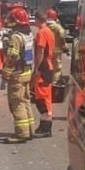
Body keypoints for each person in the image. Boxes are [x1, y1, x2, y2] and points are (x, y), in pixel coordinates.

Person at [2, 7, 34, 143]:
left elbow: (12, 57)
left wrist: (5, 75)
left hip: (17, 75)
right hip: (27, 72)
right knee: (25, 101)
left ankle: (21, 134)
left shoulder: (15, 37)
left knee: (17, 103)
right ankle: (30, 129)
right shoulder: (27, 34)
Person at [32, 9, 55, 137]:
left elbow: (40, 52)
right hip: (48, 66)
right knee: (46, 97)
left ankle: (46, 127)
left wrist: (36, 68)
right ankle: (45, 125)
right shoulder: (49, 31)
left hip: (43, 67)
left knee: (42, 98)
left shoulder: (41, 33)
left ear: (37, 19)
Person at [45, 7, 69, 85]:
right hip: (56, 51)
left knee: (49, 68)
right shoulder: (57, 26)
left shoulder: (45, 26)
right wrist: (65, 46)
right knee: (57, 69)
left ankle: (49, 82)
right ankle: (54, 84)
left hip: (47, 51)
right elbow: (62, 36)